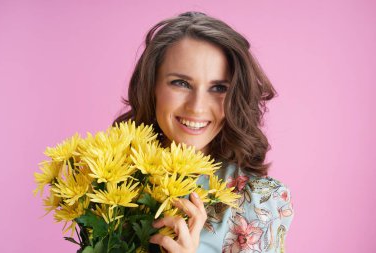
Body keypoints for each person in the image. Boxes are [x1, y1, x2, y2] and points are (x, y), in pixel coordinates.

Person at [114, 11, 294, 253]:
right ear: (151, 86)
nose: (197, 107)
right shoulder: (110, 178)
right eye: (181, 83)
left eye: (218, 87)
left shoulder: (260, 202)